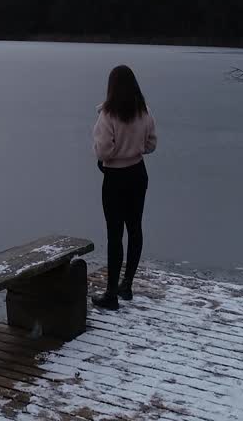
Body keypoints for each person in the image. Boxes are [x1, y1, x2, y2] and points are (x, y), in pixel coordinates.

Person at [91, 64, 157, 310]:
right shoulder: (145, 112)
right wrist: (134, 149)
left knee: (114, 234)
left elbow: (104, 150)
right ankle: (126, 285)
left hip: (115, 178)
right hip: (138, 175)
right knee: (135, 228)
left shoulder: (107, 115)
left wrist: (107, 157)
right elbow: (151, 145)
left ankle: (111, 294)